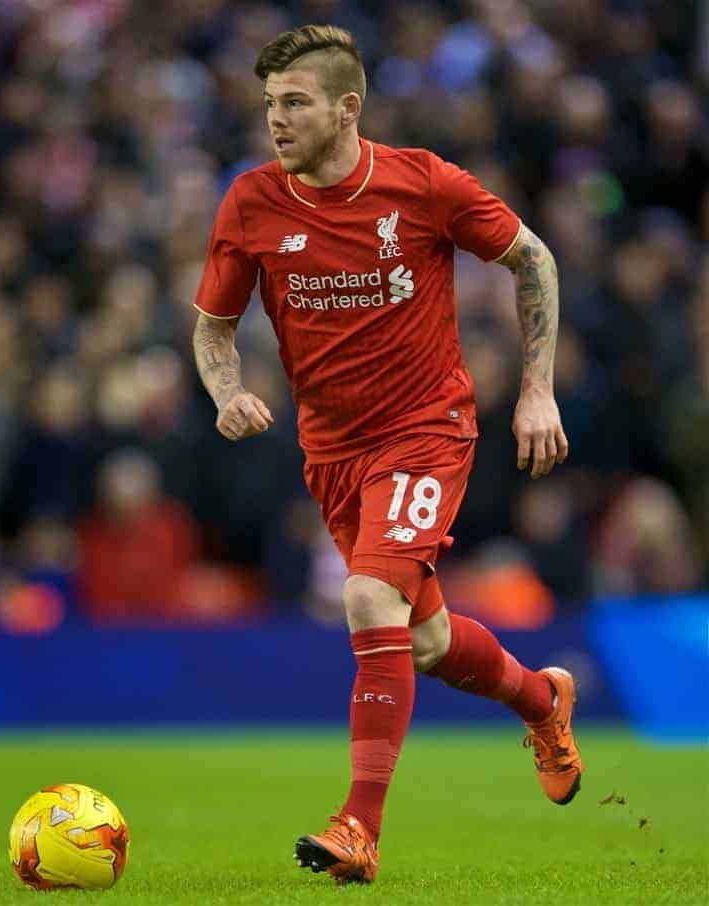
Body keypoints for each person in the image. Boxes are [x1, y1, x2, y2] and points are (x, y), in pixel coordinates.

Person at [190, 25, 582, 886]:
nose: (276, 122)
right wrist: (227, 394)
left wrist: (537, 388)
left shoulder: (422, 182)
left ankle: (358, 828)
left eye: (294, 103)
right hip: (331, 452)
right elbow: (214, 328)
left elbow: (534, 259)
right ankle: (540, 699)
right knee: (429, 641)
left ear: (346, 108)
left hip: (425, 430)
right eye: (268, 105)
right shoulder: (252, 202)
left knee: (368, 597)